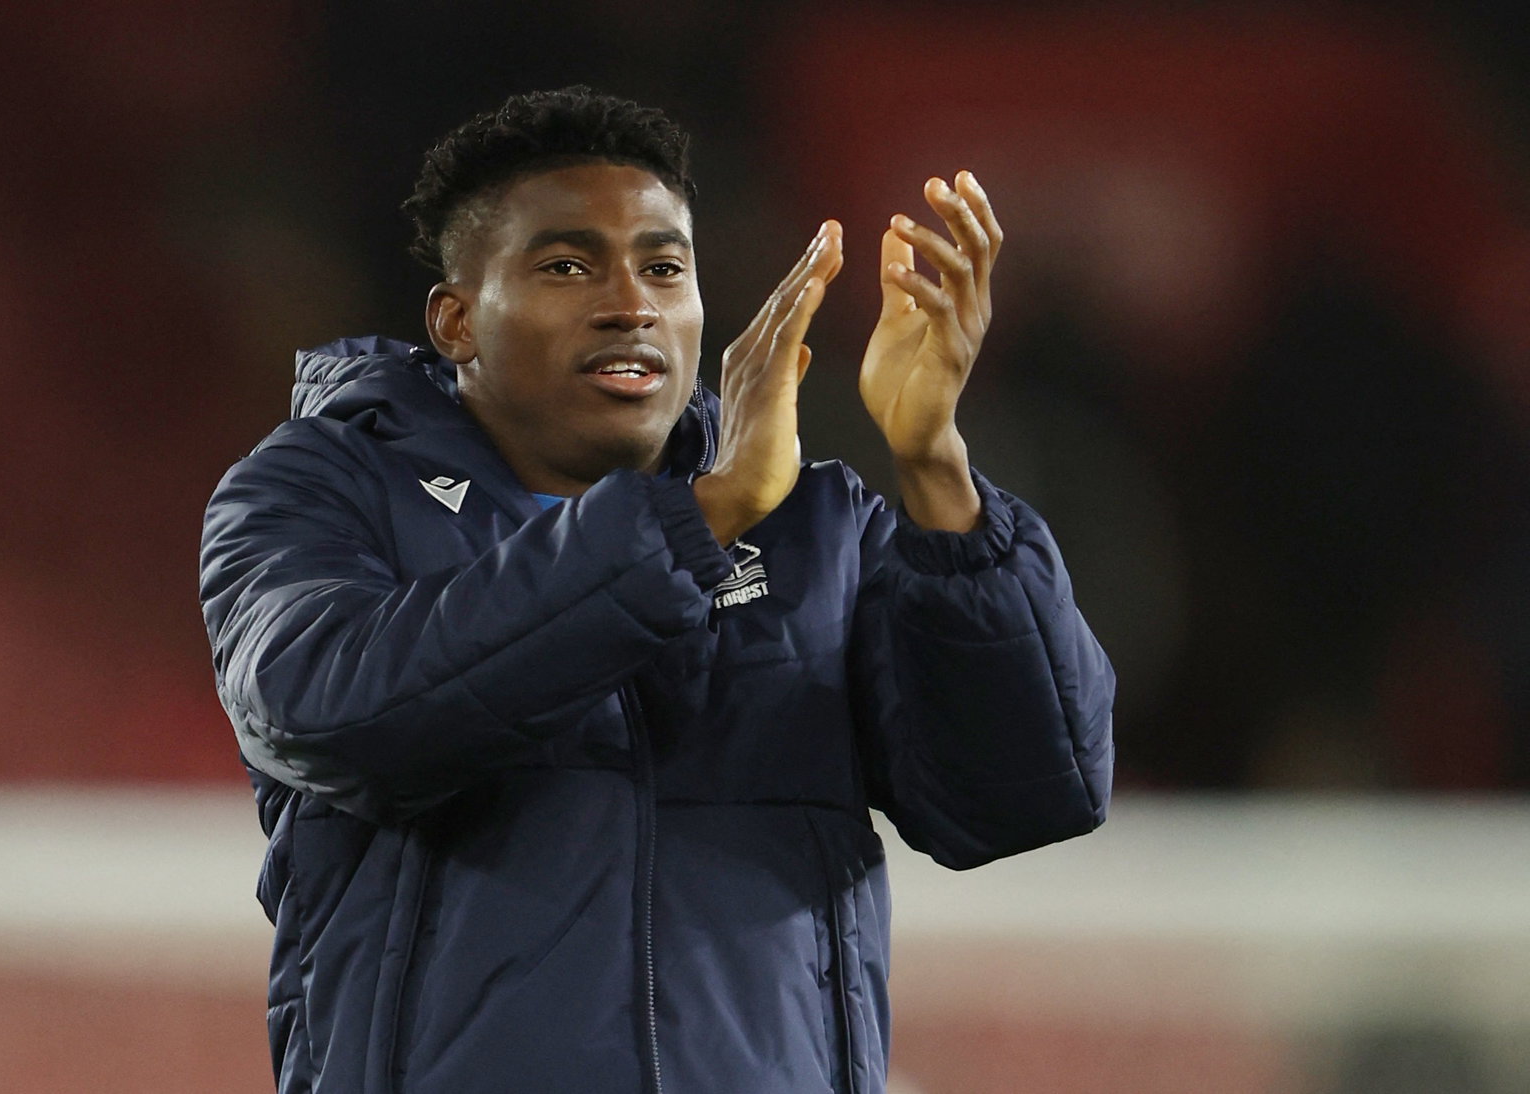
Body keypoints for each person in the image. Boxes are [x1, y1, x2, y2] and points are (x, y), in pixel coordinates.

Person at [200, 86, 1114, 1094]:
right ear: (457, 320)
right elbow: (329, 710)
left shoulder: (815, 528)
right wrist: (701, 517)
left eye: (663, 267)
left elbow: (1023, 796)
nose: (630, 302)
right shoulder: (320, 488)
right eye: (566, 265)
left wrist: (934, 462)